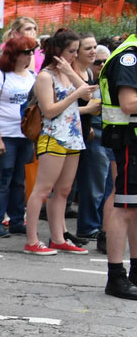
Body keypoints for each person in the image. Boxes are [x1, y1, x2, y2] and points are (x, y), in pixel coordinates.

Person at [24, 30, 96, 255]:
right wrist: (74, 94)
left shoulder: (70, 72)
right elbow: (49, 110)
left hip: (73, 136)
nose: (75, 55)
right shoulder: (45, 76)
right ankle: (32, 240)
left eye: (76, 51)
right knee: (43, 189)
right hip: (53, 135)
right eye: (71, 51)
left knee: (64, 190)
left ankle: (58, 238)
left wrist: (71, 73)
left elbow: (88, 95)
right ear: (58, 51)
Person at [0, 37, 38, 239]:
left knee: (18, 181)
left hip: (25, 135)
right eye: (26, 52)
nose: (30, 56)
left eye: (32, 52)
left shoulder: (32, 76)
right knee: (2, 180)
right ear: (14, 54)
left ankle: (16, 220)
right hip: (4, 134)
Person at [97, 32, 137, 298]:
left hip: (132, 141)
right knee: (124, 208)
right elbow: (128, 104)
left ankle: (135, 272)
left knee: (134, 208)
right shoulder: (129, 58)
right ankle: (115, 276)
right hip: (129, 143)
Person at [73, 37, 110, 242]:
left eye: (105, 61)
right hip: (90, 131)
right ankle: (88, 226)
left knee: (105, 182)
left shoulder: (93, 75)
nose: (101, 63)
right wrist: (88, 123)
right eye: (98, 61)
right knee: (93, 182)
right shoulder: (79, 74)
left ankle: (101, 225)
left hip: (102, 129)